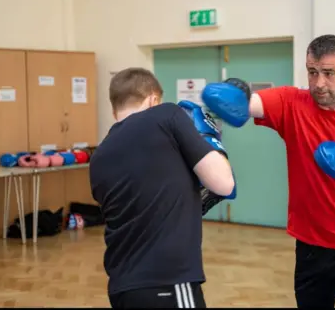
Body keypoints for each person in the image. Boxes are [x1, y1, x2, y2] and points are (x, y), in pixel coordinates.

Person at [200, 34, 335, 308]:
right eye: (312, 72)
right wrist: (233, 96)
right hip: (311, 247)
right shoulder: (292, 103)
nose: (319, 83)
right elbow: (245, 105)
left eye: (329, 73)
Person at [89, 67, 236, 308]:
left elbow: (142, 205)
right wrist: (210, 140)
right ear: (153, 99)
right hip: (168, 282)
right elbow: (224, 183)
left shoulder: (99, 157)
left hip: (122, 287)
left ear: (114, 108)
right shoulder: (166, 115)